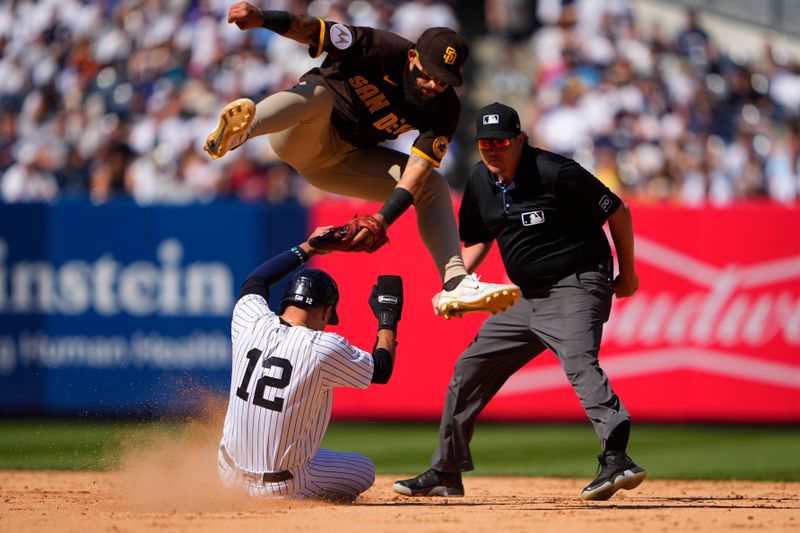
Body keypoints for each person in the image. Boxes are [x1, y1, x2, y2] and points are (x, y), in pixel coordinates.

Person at [393, 102, 646, 501]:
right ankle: (446, 471)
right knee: (469, 368)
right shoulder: (480, 180)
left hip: (576, 284)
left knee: (579, 362)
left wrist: (627, 273)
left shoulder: (554, 171)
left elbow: (618, 210)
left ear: (520, 140)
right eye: (484, 142)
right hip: (525, 296)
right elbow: (477, 238)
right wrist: (454, 283)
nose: (492, 148)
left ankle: (617, 457)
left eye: (501, 141)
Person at [204, 2, 520, 318]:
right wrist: (263, 19)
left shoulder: (445, 108)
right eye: (430, 75)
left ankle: (455, 283)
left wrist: (383, 218)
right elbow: (315, 29)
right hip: (300, 133)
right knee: (319, 95)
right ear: (413, 57)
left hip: (343, 163)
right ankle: (241, 132)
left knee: (432, 184)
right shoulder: (379, 47)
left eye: (444, 80)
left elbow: (417, 171)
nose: (434, 85)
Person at [218, 226, 403, 502]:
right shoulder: (322, 347)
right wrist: (388, 316)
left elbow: (256, 280)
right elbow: (382, 369)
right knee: (365, 469)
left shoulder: (249, 319)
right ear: (326, 310)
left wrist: (309, 247)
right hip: (282, 488)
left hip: (227, 475)